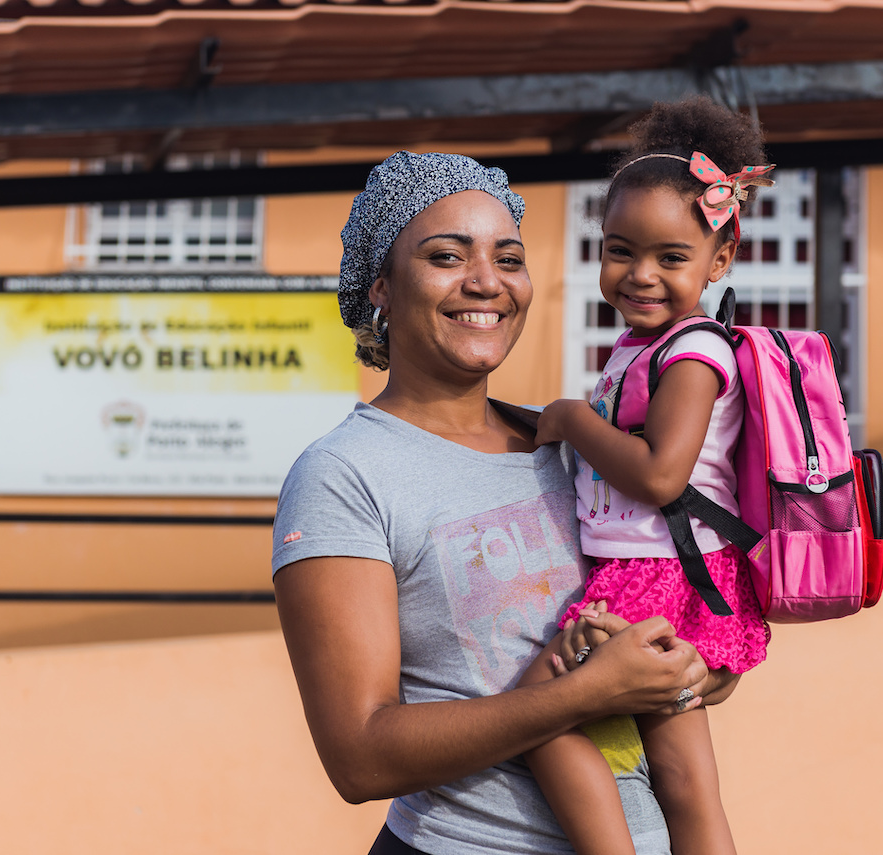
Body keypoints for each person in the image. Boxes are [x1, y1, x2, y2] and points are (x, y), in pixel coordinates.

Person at [271, 150, 741, 855]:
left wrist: (696, 667)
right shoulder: (345, 474)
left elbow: (675, 612)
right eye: (445, 256)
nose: (486, 281)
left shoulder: (569, 437)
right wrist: (583, 694)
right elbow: (360, 756)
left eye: (509, 257)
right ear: (382, 287)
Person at [516, 97, 775, 855]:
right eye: (620, 250)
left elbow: (662, 475)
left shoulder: (693, 354)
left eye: (671, 257)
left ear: (719, 260)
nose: (640, 275)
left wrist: (571, 418)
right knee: (683, 776)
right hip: (674, 571)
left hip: (659, 576)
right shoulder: (643, 345)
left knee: (543, 713)